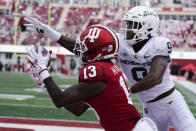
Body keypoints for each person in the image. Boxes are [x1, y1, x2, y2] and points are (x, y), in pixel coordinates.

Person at [24, 6, 196, 131]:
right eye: (127, 24)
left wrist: (125, 91)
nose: (126, 29)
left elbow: (154, 77)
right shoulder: (120, 43)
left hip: (171, 100)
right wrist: (51, 34)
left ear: (148, 27)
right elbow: (86, 47)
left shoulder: (159, 44)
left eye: (132, 25)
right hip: (148, 106)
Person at [26, 25, 158, 131]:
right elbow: (78, 109)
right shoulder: (106, 67)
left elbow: (60, 100)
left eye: (83, 47)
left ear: (95, 51)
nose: (79, 50)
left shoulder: (97, 72)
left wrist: (42, 69)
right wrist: (45, 85)